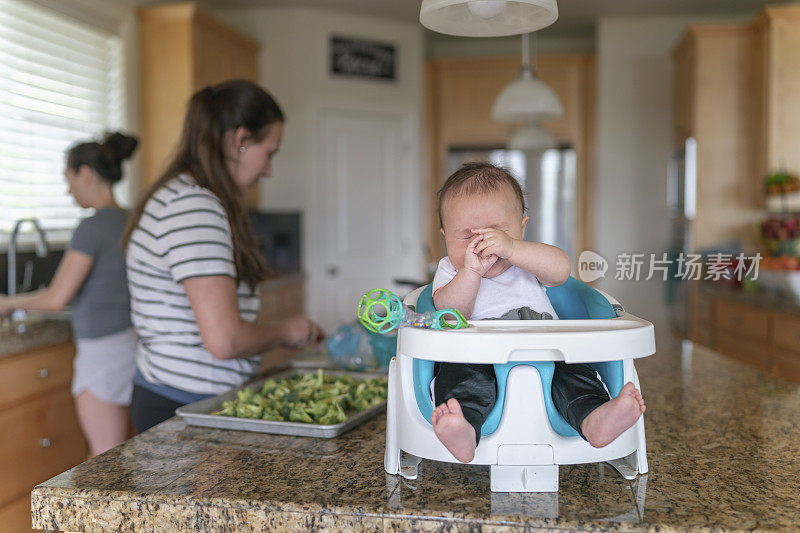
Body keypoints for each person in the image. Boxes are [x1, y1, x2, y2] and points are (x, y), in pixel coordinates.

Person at [123, 80, 324, 433]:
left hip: (176, 398)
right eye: (270, 153)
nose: (268, 171)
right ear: (241, 140)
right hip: (187, 406)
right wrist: (286, 331)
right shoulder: (194, 207)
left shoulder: (179, 196)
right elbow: (224, 339)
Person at [429, 162, 646, 463]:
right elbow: (452, 311)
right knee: (461, 379)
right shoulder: (450, 269)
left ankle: (595, 417)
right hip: (478, 353)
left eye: (497, 232)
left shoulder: (526, 259)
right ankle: (464, 431)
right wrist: (470, 272)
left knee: (575, 375)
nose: (482, 245)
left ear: (522, 226)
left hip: (548, 350)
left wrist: (513, 249)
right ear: (444, 236)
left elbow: (561, 271)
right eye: (466, 237)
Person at [0, 132, 139, 458]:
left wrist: (7, 303)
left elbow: (56, 299)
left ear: (86, 174)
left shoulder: (91, 228)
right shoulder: (132, 219)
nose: (69, 190)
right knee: (121, 454)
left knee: (103, 460)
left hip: (101, 354)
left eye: (69, 179)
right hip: (130, 344)